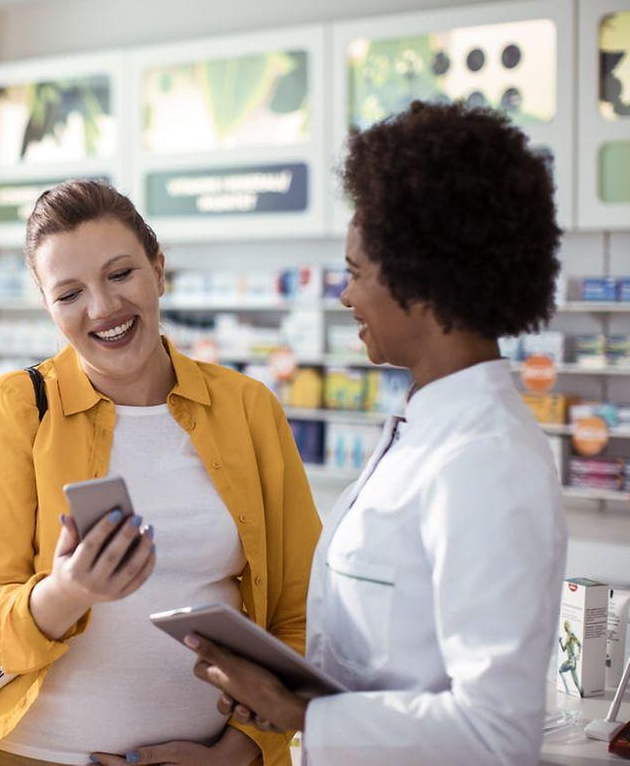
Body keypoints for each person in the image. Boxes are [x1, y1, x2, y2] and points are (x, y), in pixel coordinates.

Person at [183, 101, 569, 766]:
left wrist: (299, 712)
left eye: (356, 272)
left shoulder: (488, 463)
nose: (344, 295)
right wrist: (285, 689)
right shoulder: (422, 433)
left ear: (424, 283)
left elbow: (498, 735)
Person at [0, 180, 322, 766]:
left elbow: (302, 615)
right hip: (38, 754)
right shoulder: (15, 408)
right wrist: (69, 591)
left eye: (120, 274)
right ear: (48, 305)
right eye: (69, 292)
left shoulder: (248, 407)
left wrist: (235, 753)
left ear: (158, 270)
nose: (102, 309)